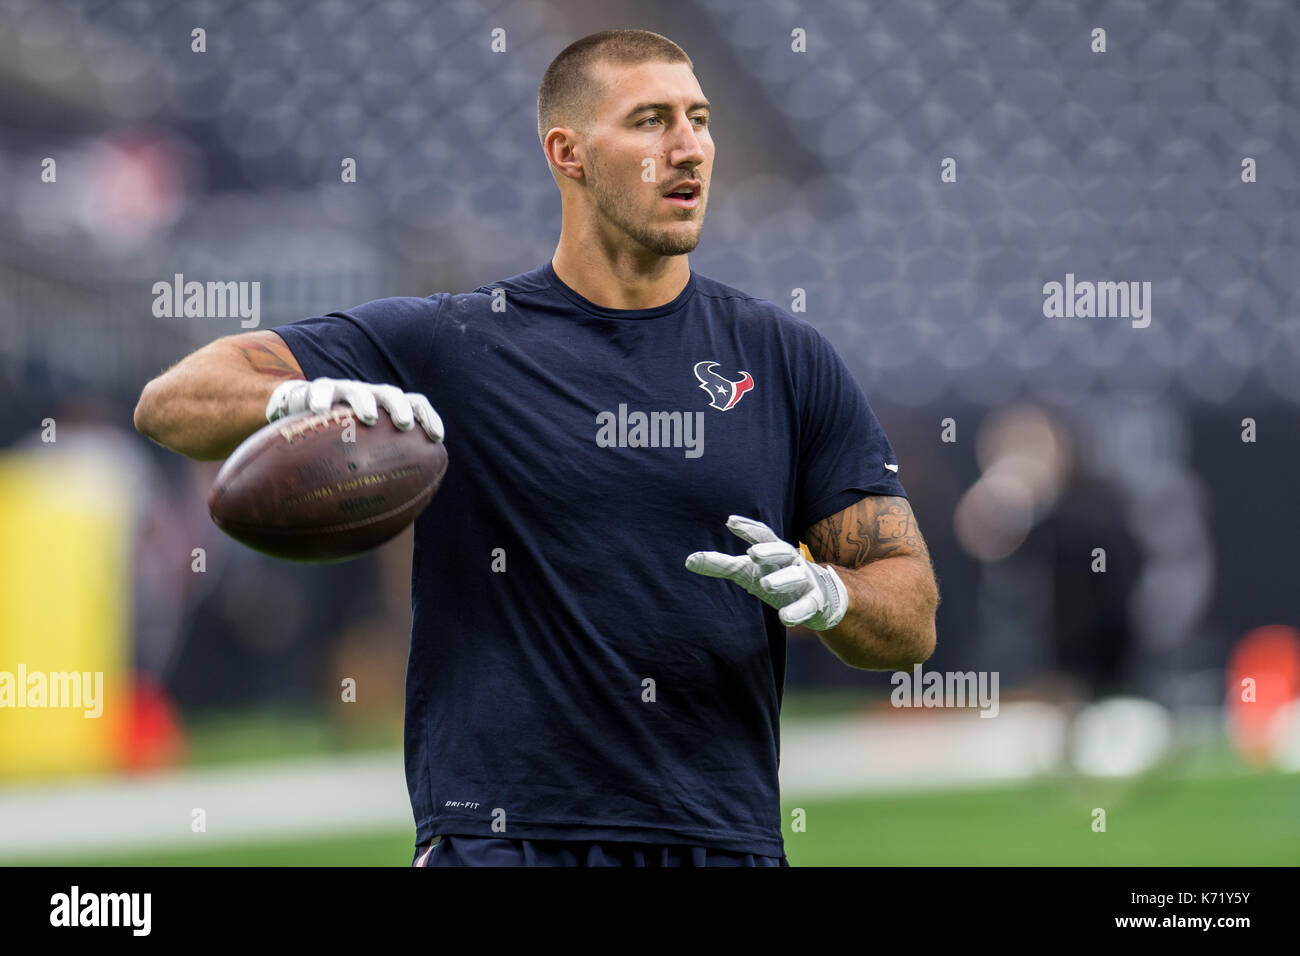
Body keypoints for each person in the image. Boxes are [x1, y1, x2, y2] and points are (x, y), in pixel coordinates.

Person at [134, 29, 939, 867]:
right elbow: (172, 403)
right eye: (651, 121)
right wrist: (296, 394)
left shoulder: (783, 358)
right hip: (502, 839)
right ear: (569, 153)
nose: (689, 148)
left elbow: (912, 613)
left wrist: (832, 593)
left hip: (717, 839)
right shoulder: (454, 343)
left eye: (699, 119)